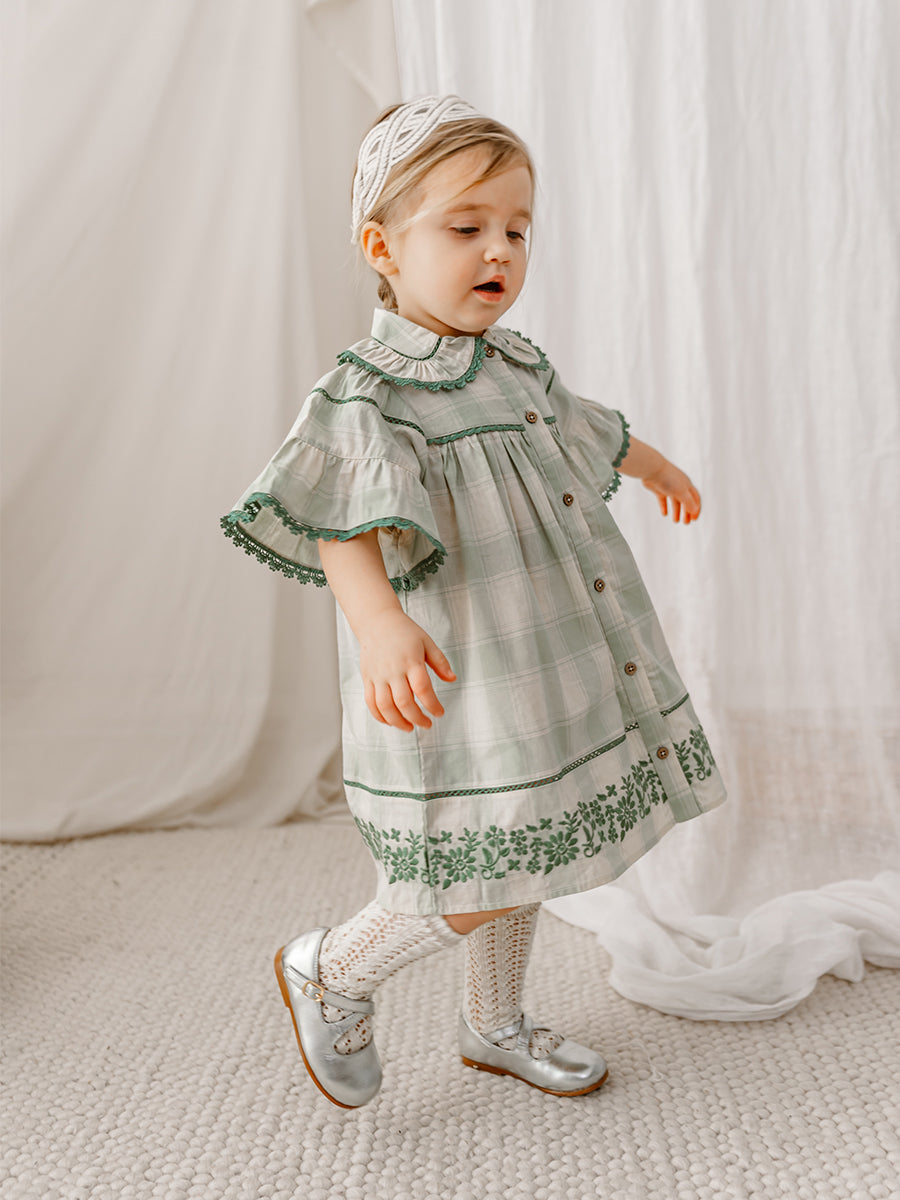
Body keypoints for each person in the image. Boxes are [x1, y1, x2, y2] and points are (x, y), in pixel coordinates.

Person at [221, 95, 726, 1108]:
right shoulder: (372, 393)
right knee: (480, 860)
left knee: (538, 836)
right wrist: (380, 626)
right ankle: (333, 969)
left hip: (544, 654)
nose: (499, 250)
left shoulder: (515, 363)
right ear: (385, 247)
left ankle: (494, 1022)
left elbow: (582, 424)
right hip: (462, 667)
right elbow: (340, 523)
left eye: (516, 230)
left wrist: (651, 461)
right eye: (465, 228)